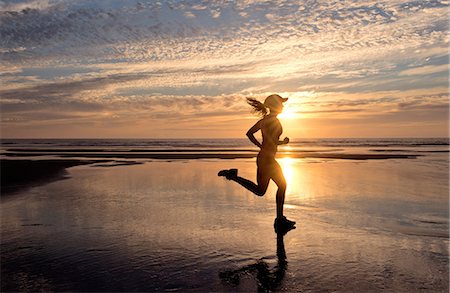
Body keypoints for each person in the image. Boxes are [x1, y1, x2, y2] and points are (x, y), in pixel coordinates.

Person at [218, 94, 296, 232]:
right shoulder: (274, 122)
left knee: (261, 191)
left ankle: (233, 176)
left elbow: (250, 134)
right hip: (268, 159)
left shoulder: (264, 121)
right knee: (282, 185)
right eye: (281, 103)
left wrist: (262, 146)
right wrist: (278, 143)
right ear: (275, 106)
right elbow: (270, 139)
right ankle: (279, 220)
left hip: (263, 158)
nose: (283, 106)